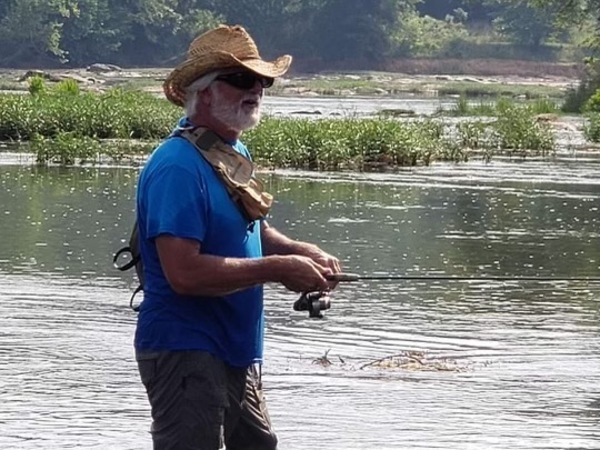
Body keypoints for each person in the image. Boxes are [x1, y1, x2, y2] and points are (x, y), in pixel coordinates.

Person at [134, 24, 342, 450]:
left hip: (236, 348)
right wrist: (279, 269)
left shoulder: (229, 149)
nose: (257, 89)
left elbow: (249, 230)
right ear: (204, 92)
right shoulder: (177, 166)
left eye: (262, 81)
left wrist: (298, 251)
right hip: (185, 348)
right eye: (241, 80)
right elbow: (184, 274)